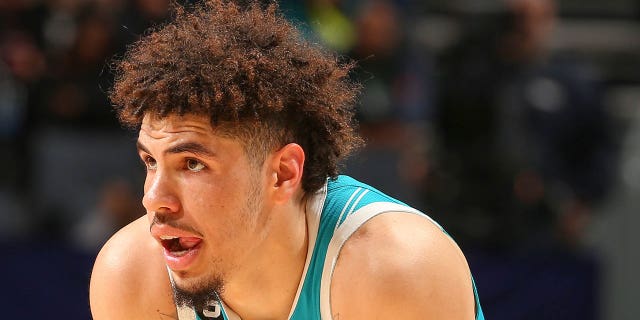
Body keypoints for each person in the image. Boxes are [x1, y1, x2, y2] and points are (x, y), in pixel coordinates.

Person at [89, 1, 484, 319]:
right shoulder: (132, 274)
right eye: (151, 161)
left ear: (282, 173)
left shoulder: (396, 270)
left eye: (193, 164)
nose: (154, 200)